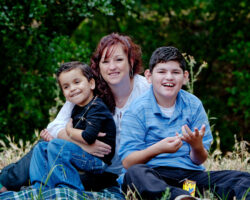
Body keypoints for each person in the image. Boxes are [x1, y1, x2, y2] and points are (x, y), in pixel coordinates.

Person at [0, 33, 150, 199]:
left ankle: (59, 191)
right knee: (44, 145)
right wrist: (82, 143)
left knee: (55, 148)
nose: (112, 67)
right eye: (105, 62)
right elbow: (54, 127)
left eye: (118, 60)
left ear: (131, 61)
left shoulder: (145, 89)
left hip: (113, 171)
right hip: (84, 160)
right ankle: (24, 186)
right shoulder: (91, 89)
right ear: (98, 66)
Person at [118, 46, 250, 200]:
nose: (169, 77)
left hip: (189, 178)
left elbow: (199, 159)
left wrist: (196, 145)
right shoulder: (137, 109)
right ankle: (179, 197)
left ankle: (186, 195)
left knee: (243, 179)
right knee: (134, 174)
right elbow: (128, 162)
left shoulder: (193, 105)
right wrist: (158, 149)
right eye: (161, 72)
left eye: (175, 72)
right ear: (148, 76)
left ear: (186, 77)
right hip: (153, 176)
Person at [29, 61, 116, 191]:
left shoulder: (97, 107)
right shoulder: (76, 107)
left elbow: (88, 137)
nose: (72, 89)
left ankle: (68, 189)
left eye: (77, 82)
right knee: (41, 147)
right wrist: (54, 140)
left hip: (97, 161)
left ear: (91, 84)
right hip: (82, 154)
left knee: (57, 145)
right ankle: (40, 189)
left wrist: (69, 130)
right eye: (66, 86)